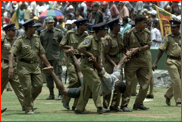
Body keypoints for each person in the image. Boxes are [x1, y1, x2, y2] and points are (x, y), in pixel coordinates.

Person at [42, 49, 128, 100]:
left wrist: (126, 55)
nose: (116, 92)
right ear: (116, 86)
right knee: (63, 90)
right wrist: (94, 62)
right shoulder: (109, 80)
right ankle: (52, 72)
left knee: (79, 72)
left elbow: (119, 65)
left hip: (88, 82)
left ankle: (72, 54)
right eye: (117, 91)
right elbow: (101, 70)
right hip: (87, 90)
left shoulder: (116, 76)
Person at [8, 19, 53, 114]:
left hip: (35, 65)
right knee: (27, 88)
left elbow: (42, 53)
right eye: (34, 27)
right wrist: (11, 67)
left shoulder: (36, 38)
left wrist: (48, 65)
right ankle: (28, 108)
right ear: (29, 28)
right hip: (23, 66)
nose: (36, 28)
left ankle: (26, 102)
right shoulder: (20, 40)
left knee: (39, 86)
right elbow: (12, 54)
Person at [74, 22, 108, 114]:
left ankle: (79, 109)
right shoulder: (90, 38)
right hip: (85, 65)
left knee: (86, 88)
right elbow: (79, 48)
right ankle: (99, 107)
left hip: (92, 66)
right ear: (100, 31)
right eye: (104, 30)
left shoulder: (100, 41)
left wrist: (100, 64)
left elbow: (99, 54)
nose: (105, 32)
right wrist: (90, 54)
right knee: (96, 82)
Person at [121, 15, 151, 112]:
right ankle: (124, 105)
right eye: (144, 22)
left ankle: (138, 103)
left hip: (143, 60)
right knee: (129, 84)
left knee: (146, 83)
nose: (146, 24)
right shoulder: (128, 33)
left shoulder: (147, 32)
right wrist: (127, 53)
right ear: (138, 23)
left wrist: (137, 49)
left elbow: (148, 46)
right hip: (132, 61)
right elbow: (124, 46)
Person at [59, 19, 89, 110]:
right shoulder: (70, 33)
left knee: (81, 83)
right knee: (74, 80)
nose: (86, 26)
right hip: (70, 59)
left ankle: (75, 105)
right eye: (85, 25)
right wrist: (69, 47)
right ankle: (65, 98)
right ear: (80, 26)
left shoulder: (86, 35)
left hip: (81, 59)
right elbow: (61, 45)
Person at [152, 20, 181, 107]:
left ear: (178, 28)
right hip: (171, 61)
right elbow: (161, 51)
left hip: (180, 61)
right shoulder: (167, 38)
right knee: (176, 80)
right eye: (171, 27)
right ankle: (178, 101)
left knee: (179, 81)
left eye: (174, 27)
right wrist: (155, 62)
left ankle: (168, 95)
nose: (172, 29)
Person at [1, 24, 25, 111]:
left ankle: (26, 105)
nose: (15, 32)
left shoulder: (15, 41)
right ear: (8, 31)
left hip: (14, 66)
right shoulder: (2, 41)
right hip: (3, 65)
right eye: (13, 30)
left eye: (15, 30)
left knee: (19, 85)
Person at [102, 17, 124, 112]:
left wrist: (124, 57)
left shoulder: (119, 35)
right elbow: (105, 54)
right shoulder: (107, 38)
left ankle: (115, 105)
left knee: (119, 83)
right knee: (108, 83)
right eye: (118, 25)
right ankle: (105, 105)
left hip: (117, 59)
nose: (120, 27)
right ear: (114, 27)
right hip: (108, 62)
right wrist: (114, 63)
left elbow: (122, 48)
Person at [40, 16, 63, 100]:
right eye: (49, 23)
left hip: (56, 58)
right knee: (48, 77)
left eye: (52, 23)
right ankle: (51, 94)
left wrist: (63, 57)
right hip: (46, 59)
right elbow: (40, 47)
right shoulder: (42, 33)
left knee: (58, 76)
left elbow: (62, 45)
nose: (51, 24)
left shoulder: (58, 33)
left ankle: (60, 93)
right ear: (46, 23)